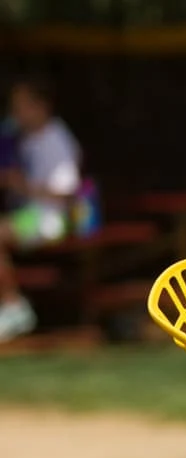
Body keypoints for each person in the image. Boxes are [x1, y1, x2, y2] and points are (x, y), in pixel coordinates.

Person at [0, 76, 83, 343]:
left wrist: (21, 185)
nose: (16, 113)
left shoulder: (56, 140)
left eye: (22, 106)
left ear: (41, 107)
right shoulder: (21, 138)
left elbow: (66, 193)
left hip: (52, 218)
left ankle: (13, 306)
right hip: (30, 215)